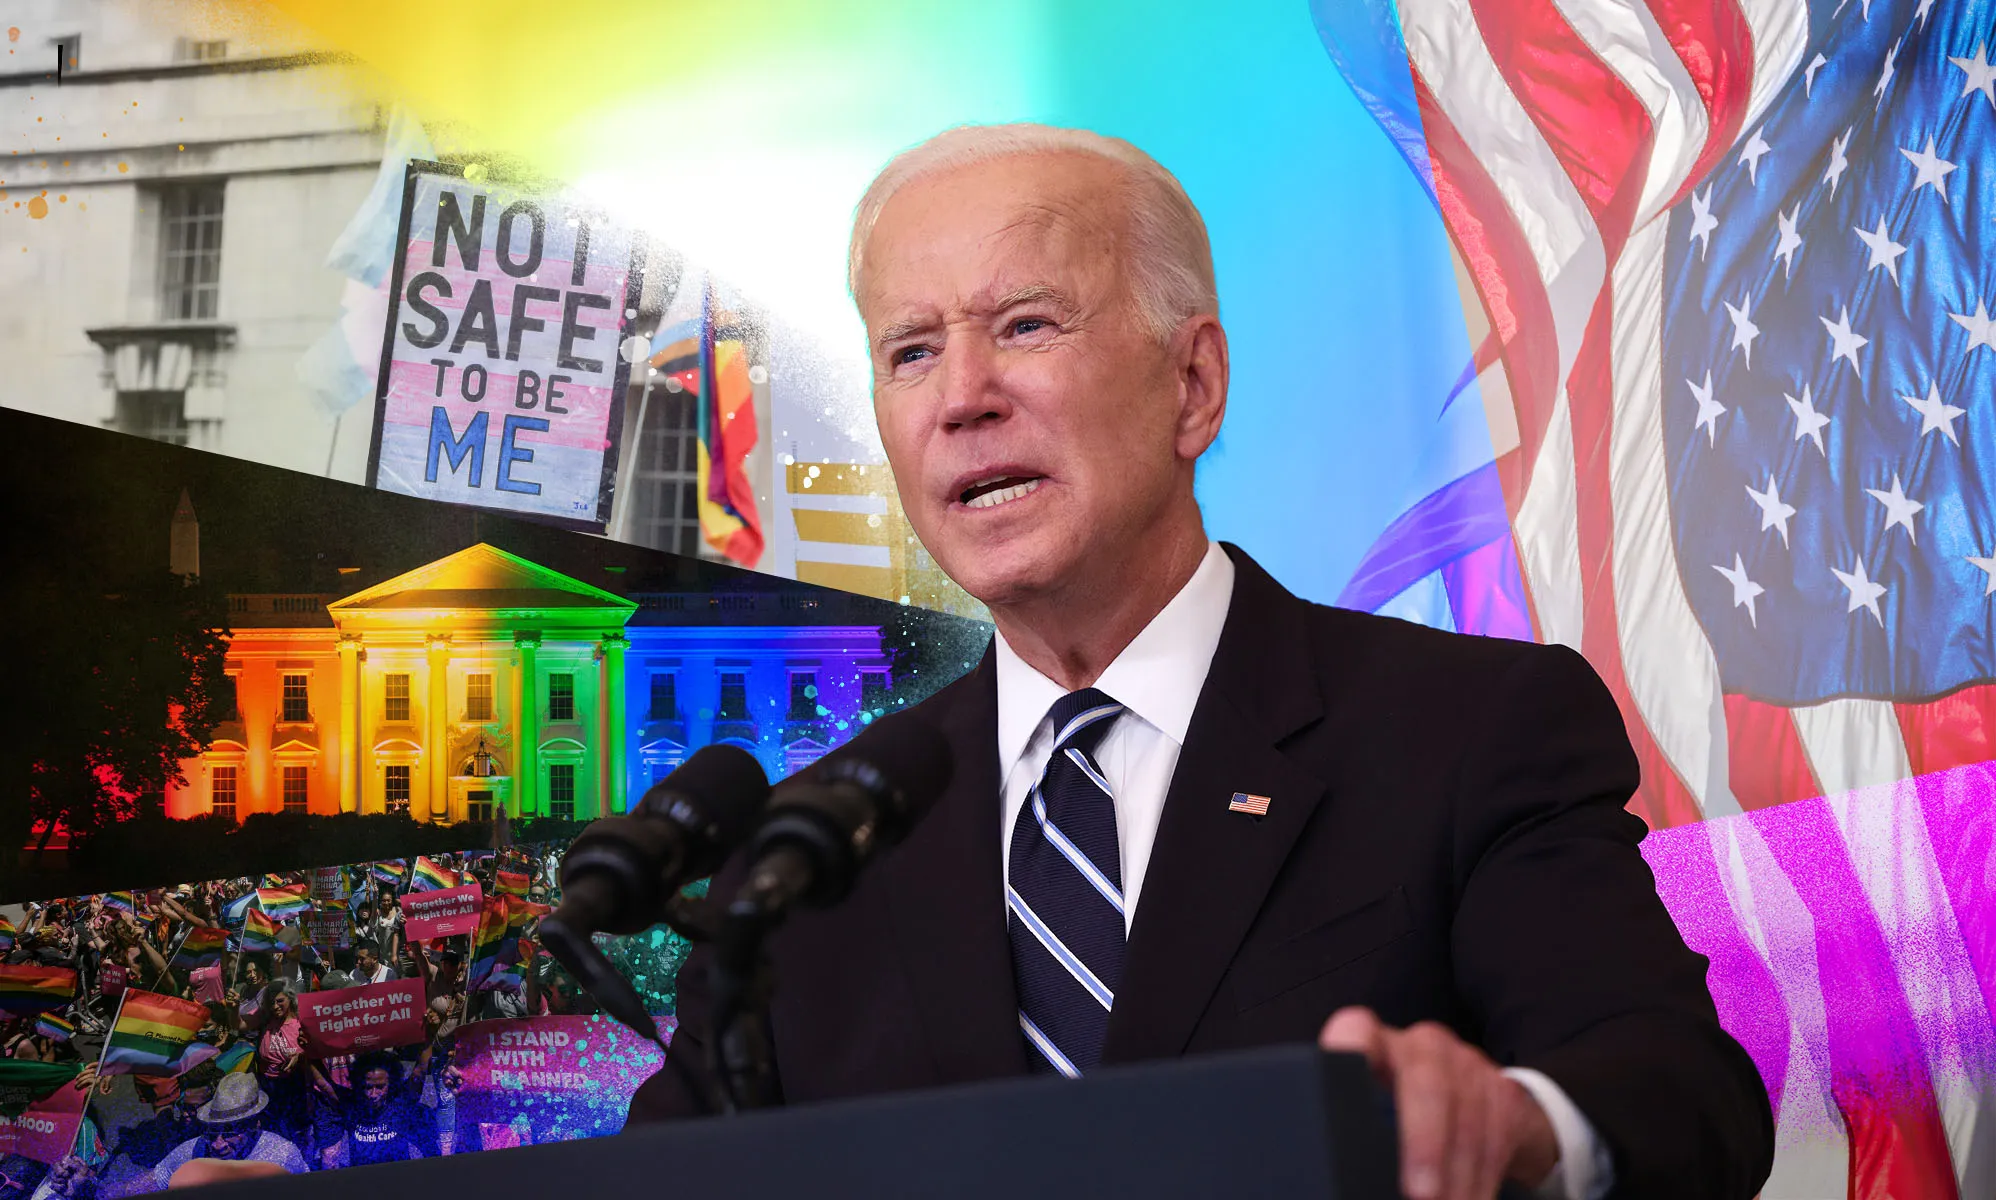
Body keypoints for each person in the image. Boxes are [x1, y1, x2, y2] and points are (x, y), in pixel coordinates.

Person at [629, 124, 1775, 1200]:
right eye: (911, 351)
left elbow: (1681, 1097)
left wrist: (1512, 1122)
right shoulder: (803, 861)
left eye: (1025, 324)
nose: (962, 399)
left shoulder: (1468, 732)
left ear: (1193, 385)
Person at [152, 1073, 308, 1187]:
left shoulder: (282, 1156)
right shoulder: (197, 1148)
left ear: (254, 1125)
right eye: (212, 1131)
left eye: (230, 1132)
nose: (217, 1145)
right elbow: (157, 1179)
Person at [321, 1053, 436, 1169]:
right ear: (359, 1084)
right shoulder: (352, 1104)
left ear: (391, 1084)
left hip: (399, 1177)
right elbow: (324, 1085)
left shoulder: (400, 1102)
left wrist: (430, 1040)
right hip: (361, 1179)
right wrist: (307, 1055)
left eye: (380, 1087)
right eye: (368, 1087)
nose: (373, 1094)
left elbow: (419, 1071)